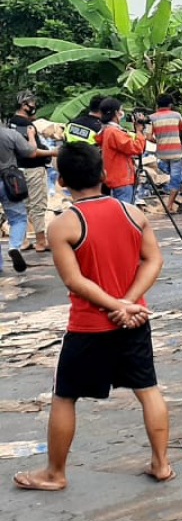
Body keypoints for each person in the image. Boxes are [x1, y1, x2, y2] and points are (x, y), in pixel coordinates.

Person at [13, 143, 172, 491]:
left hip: (90, 325)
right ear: (103, 174)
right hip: (135, 321)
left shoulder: (63, 226)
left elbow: (74, 281)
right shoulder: (133, 213)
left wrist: (117, 306)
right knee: (147, 390)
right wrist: (128, 304)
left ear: (63, 181)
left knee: (65, 396)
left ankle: (55, 473)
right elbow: (153, 260)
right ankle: (161, 463)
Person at [1, 119, 56, 273]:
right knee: (18, 217)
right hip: (8, 181)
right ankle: (15, 246)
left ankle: (0, 265)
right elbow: (31, 151)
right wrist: (31, 135)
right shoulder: (9, 134)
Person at [12, 92, 58, 253]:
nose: (34, 106)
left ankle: (22, 241)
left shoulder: (12, 124)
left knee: (22, 205)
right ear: (24, 105)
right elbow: (31, 152)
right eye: (31, 103)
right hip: (33, 170)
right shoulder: (27, 127)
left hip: (17, 170)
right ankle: (40, 241)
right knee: (37, 205)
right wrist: (53, 153)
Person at [95, 98, 146, 205]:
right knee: (125, 213)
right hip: (122, 179)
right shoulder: (114, 132)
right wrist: (140, 132)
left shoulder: (105, 130)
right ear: (116, 113)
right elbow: (137, 148)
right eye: (121, 110)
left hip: (113, 177)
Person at [149, 95, 182, 213]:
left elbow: (148, 137)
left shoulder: (151, 118)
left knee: (168, 177)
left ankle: (169, 201)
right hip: (176, 153)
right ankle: (169, 206)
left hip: (161, 154)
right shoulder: (177, 115)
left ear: (157, 105)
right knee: (175, 180)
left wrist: (159, 141)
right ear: (170, 105)